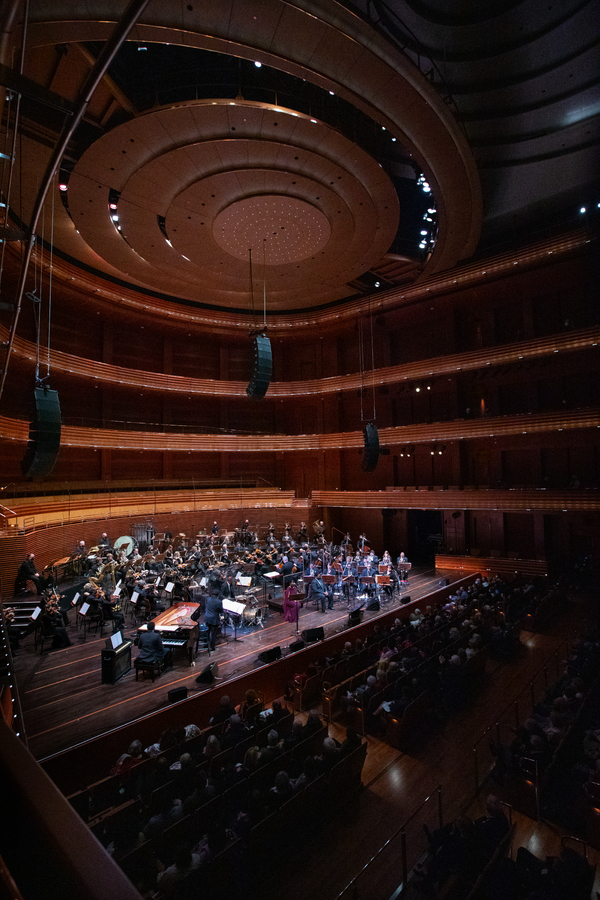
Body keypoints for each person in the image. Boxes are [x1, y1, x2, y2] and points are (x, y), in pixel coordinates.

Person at [204, 585, 224, 651]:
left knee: (207, 632)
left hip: (207, 618)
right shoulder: (219, 602)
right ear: (218, 595)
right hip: (214, 619)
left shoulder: (208, 599)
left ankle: (206, 645)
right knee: (213, 634)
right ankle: (212, 647)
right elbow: (221, 611)